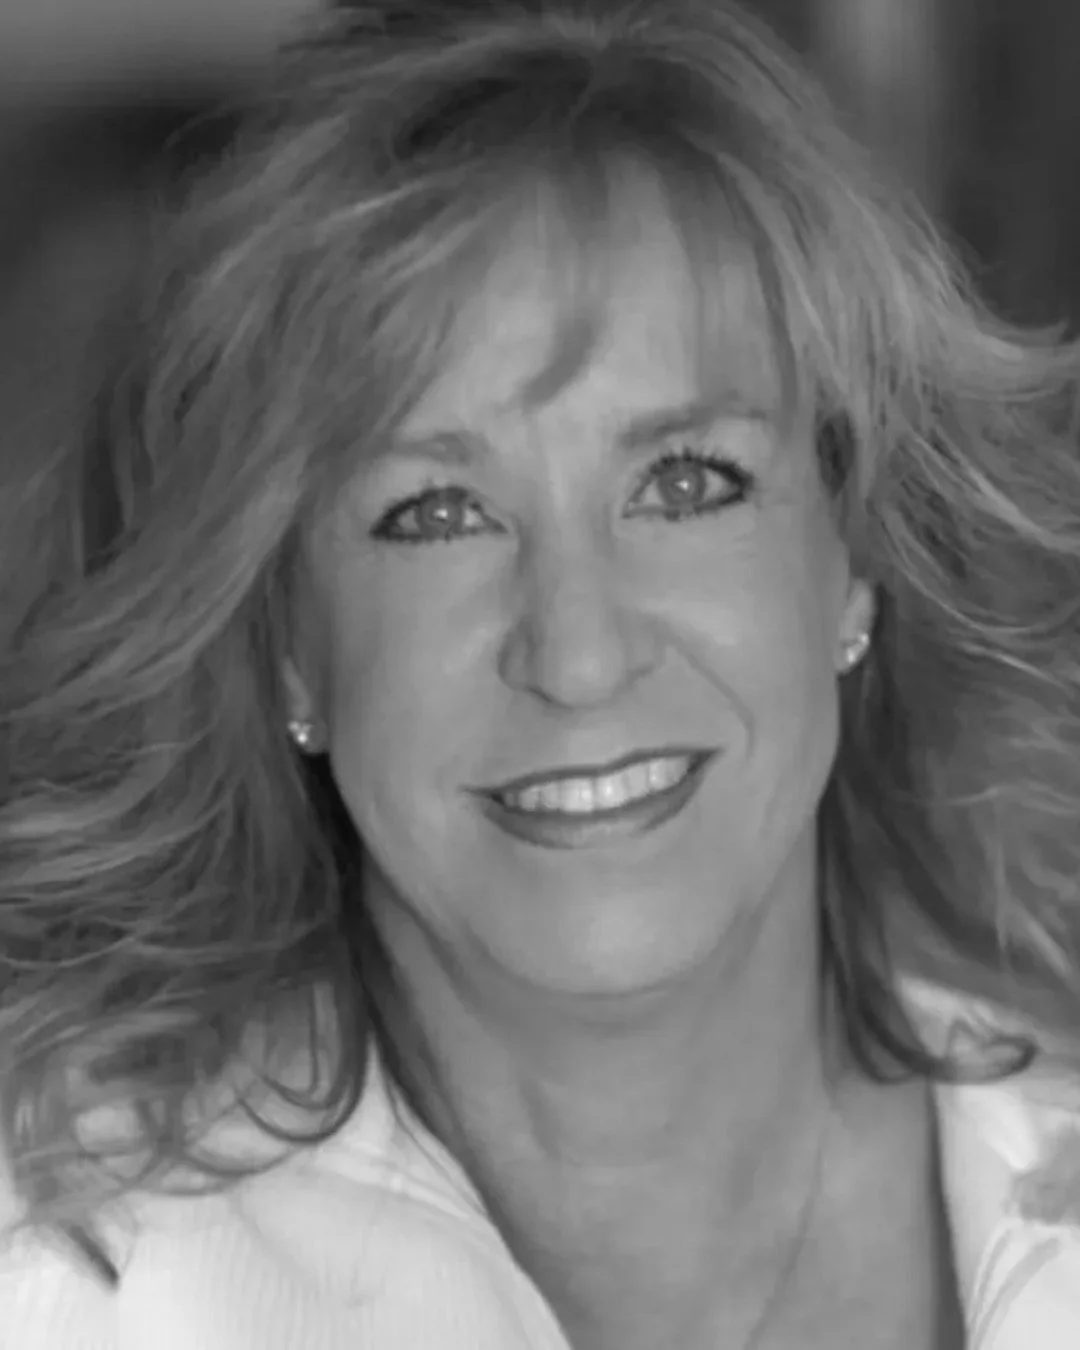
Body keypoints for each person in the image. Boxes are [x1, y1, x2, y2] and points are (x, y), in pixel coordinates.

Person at [2, 1, 1080, 1346]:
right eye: (436, 514)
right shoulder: (60, 1275)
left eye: (686, 481)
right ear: (287, 642)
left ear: (851, 557)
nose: (577, 651)